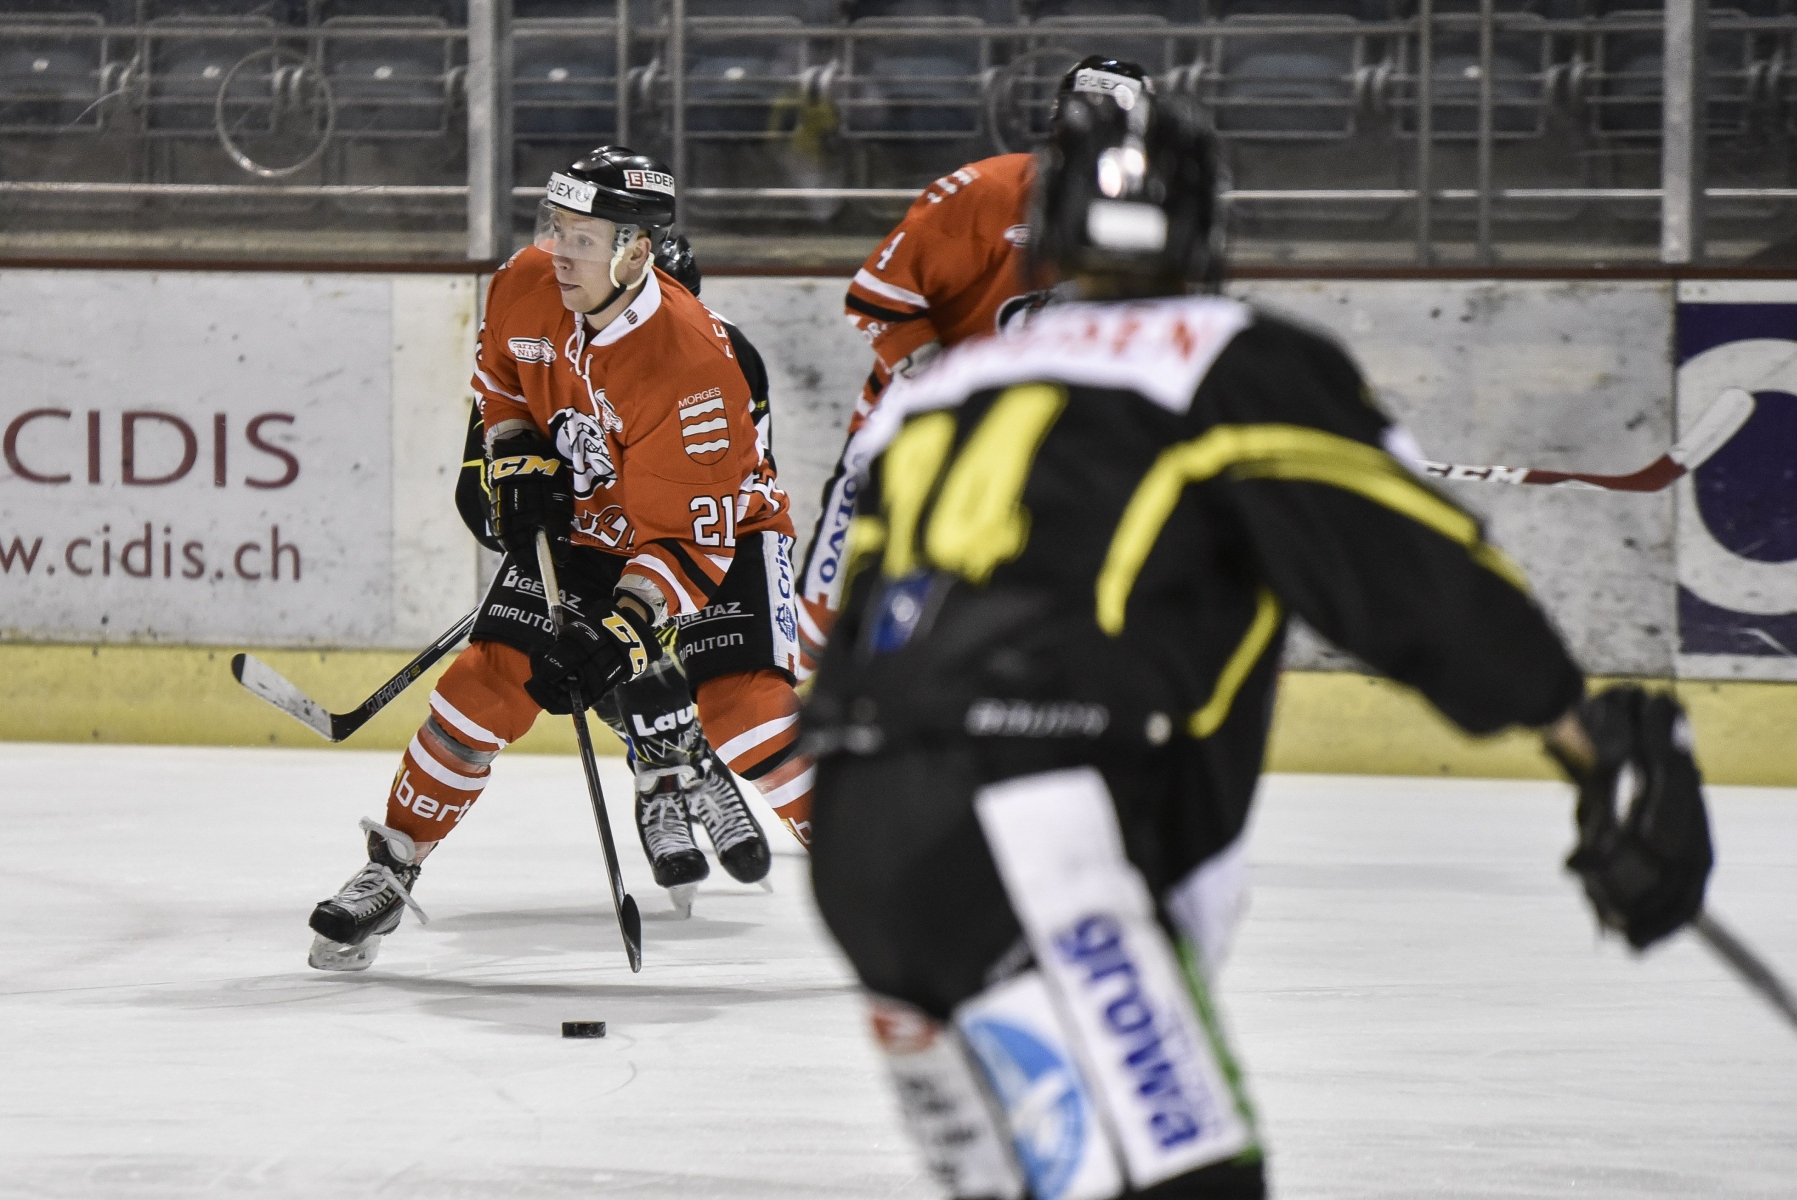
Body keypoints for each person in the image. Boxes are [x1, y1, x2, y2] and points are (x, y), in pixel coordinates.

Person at [802, 93, 1714, 1200]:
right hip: (1041, 836)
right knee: (1186, 1187)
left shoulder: (938, 392)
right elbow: (1408, 578)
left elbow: (857, 610)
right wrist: (1591, 741)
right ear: (1201, 226)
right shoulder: (1231, 359)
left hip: (863, 834)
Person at [307, 148, 815, 972]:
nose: (560, 249)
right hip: (591, 522)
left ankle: (895, 874)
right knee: (485, 682)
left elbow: (686, 543)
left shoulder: (692, 369)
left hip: (723, 533)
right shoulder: (525, 279)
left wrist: (623, 632)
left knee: (745, 711)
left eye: (583, 236)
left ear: (636, 250)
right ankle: (389, 869)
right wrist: (517, 453)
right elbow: (500, 384)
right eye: (558, 227)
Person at [451, 231, 783, 909]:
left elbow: (723, 498)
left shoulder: (714, 358)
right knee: (588, 660)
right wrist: (522, 514)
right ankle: (666, 766)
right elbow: (477, 497)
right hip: (591, 548)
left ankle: (681, 754)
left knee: (675, 666)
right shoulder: (540, 357)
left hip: (680, 546)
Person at [794, 56, 1156, 680]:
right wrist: (943, 394)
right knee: (832, 607)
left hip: (1028, 447)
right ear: (1055, 122)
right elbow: (878, 297)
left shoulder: (1141, 224)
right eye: (1080, 120)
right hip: (910, 431)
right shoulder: (987, 191)